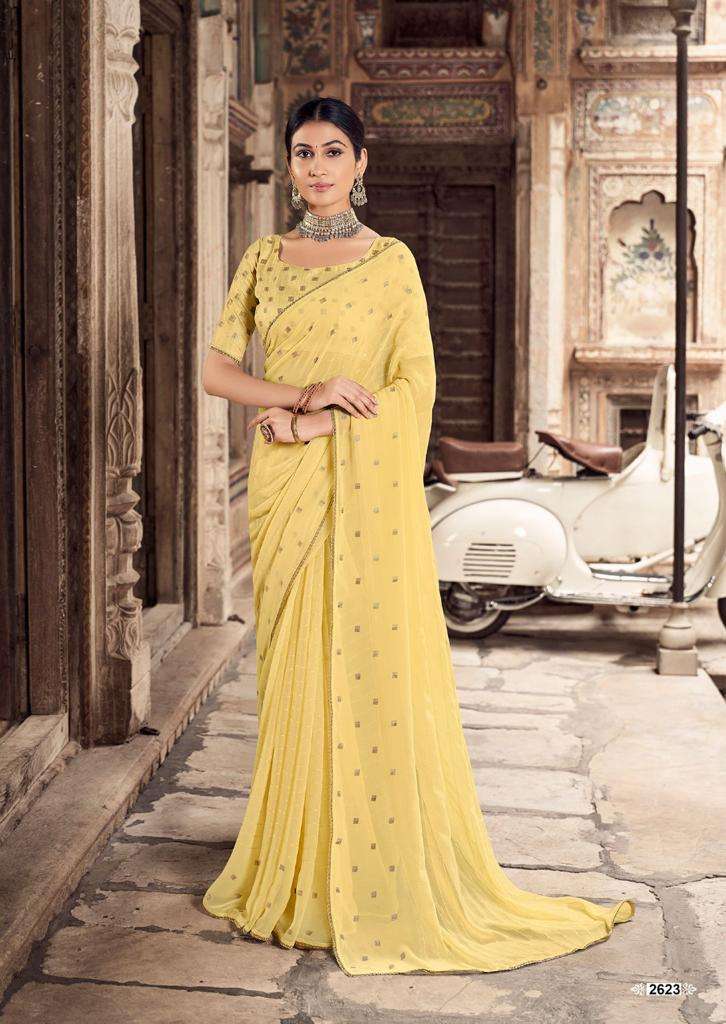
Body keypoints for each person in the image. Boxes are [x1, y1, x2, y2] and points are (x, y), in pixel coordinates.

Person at [200, 96, 635, 977]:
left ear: (361, 163)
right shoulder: (263, 259)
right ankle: (297, 851)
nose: (316, 167)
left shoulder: (389, 262)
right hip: (286, 492)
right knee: (292, 666)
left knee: (362, 663)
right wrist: (300, 393)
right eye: (302, 152)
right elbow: (216, 370)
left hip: (350, 482)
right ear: (289, 166)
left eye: (333, 152)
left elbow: (412, 389)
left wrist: (319, 423)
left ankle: (366, 852)